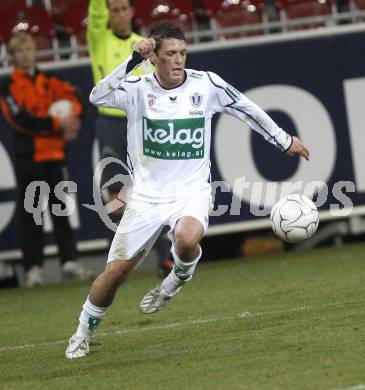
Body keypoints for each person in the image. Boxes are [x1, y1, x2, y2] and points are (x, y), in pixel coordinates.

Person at [65, 22, 310, 359]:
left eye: (182, 52)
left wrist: (284, 141)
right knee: (116, 273)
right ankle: (82, 331)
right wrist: (131, 61)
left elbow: (247, 109)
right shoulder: (137, 88)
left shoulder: (205, 84)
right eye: (170, 54)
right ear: (154, 57)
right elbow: (98, 96)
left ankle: (177, 277)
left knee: (186, 237)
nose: (178, 60)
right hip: (146, 196)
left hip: (191, 190)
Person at [87, 0, 173, 276]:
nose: (120, 14)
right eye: (115, 10)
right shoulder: (99, 38)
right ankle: (116, 259)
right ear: (109, 15)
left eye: (124, 9)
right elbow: (96, 12)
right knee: (115, 195)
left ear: (132, 12)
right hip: (110, 122)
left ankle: (165, 257)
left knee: (152, 189)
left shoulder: (143, 45)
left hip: (138, 123)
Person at [0, 32, 91, 287]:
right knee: (32, 214)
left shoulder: (50, 81)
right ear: (13, 56)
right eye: (20, 51)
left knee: (60, 211)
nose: (26, 55)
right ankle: (33, 268)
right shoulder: (7, 86)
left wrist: (72, 117)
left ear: (35, 52)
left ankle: (69, 261)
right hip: (29, 157)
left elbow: (79, 99)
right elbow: (20, 120)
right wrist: (56, 123)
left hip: (55, 154)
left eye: (29, 49)